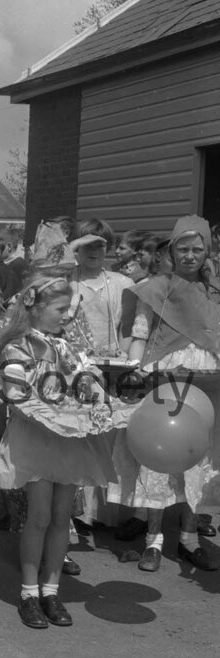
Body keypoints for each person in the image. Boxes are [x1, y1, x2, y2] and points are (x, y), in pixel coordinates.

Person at [0, 274, 118, 629]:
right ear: (37, 307)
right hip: (37, 437)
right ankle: (29, 592)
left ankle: (52, 589)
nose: (67, 316)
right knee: (40, 516)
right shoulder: (19, 346)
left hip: (69, 438)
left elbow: (87, 376)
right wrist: (38, 395)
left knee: (63, 517)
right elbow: (14, 390)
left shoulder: (66, 347)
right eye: (61, 309)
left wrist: (94, 389)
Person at [109, 215, 220, 572]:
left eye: (197, 249)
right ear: (171, 250)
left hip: (208, 384)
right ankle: (153, 540)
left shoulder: (215, 291)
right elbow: (140, 335)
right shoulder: (156, 288)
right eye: (183, 249)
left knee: (198, 460)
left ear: (207, 252)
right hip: (163, 379)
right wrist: (135, 371)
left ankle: (189, 538)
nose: (190, 256)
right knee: (157, 459)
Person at [70, 219, 133, 357]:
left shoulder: (123, 284)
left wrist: (123, 353)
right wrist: (71, 246)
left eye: (99, 246)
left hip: (110, 360)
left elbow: (126, 327)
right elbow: (40, 275)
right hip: (73, 359)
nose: (93, 251)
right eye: (87, 245)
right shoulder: (65, 279)